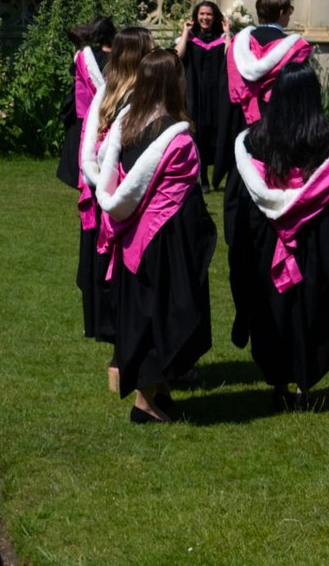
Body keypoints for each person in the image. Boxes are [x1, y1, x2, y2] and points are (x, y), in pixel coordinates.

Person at [222, 63, 329, 405]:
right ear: (314, 96)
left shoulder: (255, 139)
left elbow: (238, 201)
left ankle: (278, 383)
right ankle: (303, 386)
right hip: (314, 243)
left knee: (271, 308)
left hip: (266, 243)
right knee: (311, 309)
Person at [92, 49, 217, 423]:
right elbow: (181, 198)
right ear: (172, 82)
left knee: (145, 312)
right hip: (163, 238)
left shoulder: (126, 122)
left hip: (129, 236)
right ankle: (144, 403)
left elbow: (111, 178)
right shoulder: (174, 137)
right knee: (163, 314)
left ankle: (159, 391)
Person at [76, 26, 153, 374]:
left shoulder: (106, 91)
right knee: (127, 271)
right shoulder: (139, 94)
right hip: (127, 195)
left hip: (100, 194)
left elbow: (91, 148)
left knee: (106, 269)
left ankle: (117, 347)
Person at [228, 0, 313, 125]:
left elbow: (232, 86)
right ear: (281, 13)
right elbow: (303, 88)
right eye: (289, 10)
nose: (290, 15)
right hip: (283, 118)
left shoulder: (238, 43)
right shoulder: (296, 48)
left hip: (245, 118)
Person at [175, 0, 236, 189]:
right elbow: (177, 56)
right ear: (196, 16)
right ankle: (203, 178)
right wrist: (185, 32)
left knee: (218, 132)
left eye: (209, 14)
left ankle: (218, 174)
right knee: (198, 133)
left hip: (217, 93)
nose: (205, 17)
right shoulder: (191, 39)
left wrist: (227, 33)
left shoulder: (222, 38)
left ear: (215, 16)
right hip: (196, 94)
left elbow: (230, 56)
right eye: (201, 14)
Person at [56, 16, 115, 191]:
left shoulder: (84, 57)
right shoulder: (120, 59)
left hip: (85, 117)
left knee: (85, 159)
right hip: (109, 116)